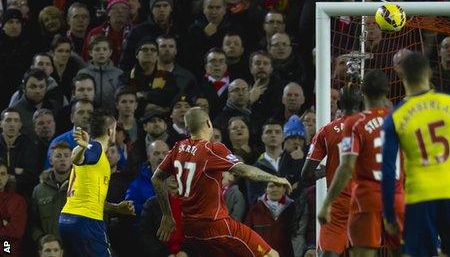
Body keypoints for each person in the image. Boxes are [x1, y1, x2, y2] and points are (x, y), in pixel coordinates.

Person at [381, 51, 450, 256]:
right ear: (429, 73)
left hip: (419, 198)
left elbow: (387, 171)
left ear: (401, 76)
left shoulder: (395, 117)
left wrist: (389, 215)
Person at [151, 107, 291, 256]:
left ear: (187, 127)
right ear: (208, 123)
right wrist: (275, 178)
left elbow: (156, 178)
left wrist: (167, 215)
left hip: (190, 229)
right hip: (215, 224)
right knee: (271, 255)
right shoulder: (211, 149)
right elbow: (244, 171)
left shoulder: (178, 148)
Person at [318, 70, 404, 256]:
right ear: (387, 90)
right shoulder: (400, 120)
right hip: (396, 196)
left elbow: (347, 166)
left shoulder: (356, 123)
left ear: (363, 92)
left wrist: (327, 203)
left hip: (367, 199)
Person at [58, 110, 135, 256]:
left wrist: (117, 208)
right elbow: (77, 158)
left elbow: (91, 198)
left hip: (67, 219)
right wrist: (82, 147)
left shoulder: (96, 155)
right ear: (110, 130)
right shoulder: (95, 148)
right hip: (87, 221)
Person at [301, 84, 361, 256]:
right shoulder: (375, 129)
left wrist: (325, 171)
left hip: (338, 201)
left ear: (340, 104)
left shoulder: (326, 131)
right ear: (361, 103)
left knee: (329, 253)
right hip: (366, 200)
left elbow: (305, 175)